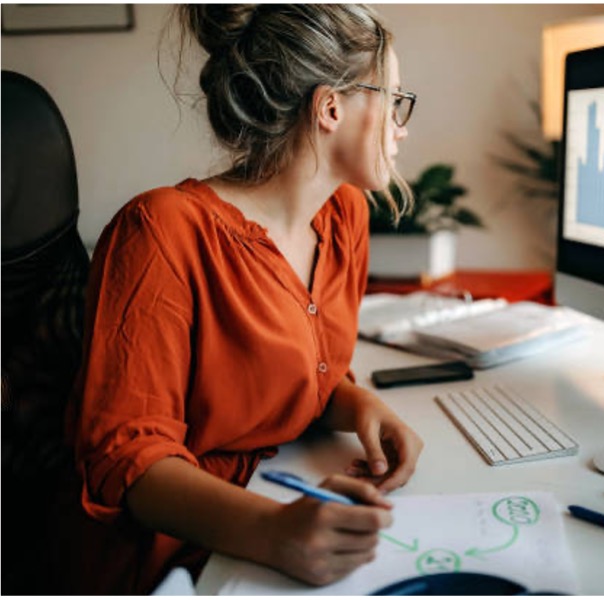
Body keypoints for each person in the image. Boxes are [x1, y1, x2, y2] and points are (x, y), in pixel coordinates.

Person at [53, 4, 423, 594]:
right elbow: (129, 462)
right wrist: (276, 532)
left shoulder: (345, 215)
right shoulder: (161, 230)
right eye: (395, 99)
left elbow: (298, 378)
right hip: (177, 561)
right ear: (331, 107)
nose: (401, 127)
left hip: (281, 502)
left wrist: (357, 406)